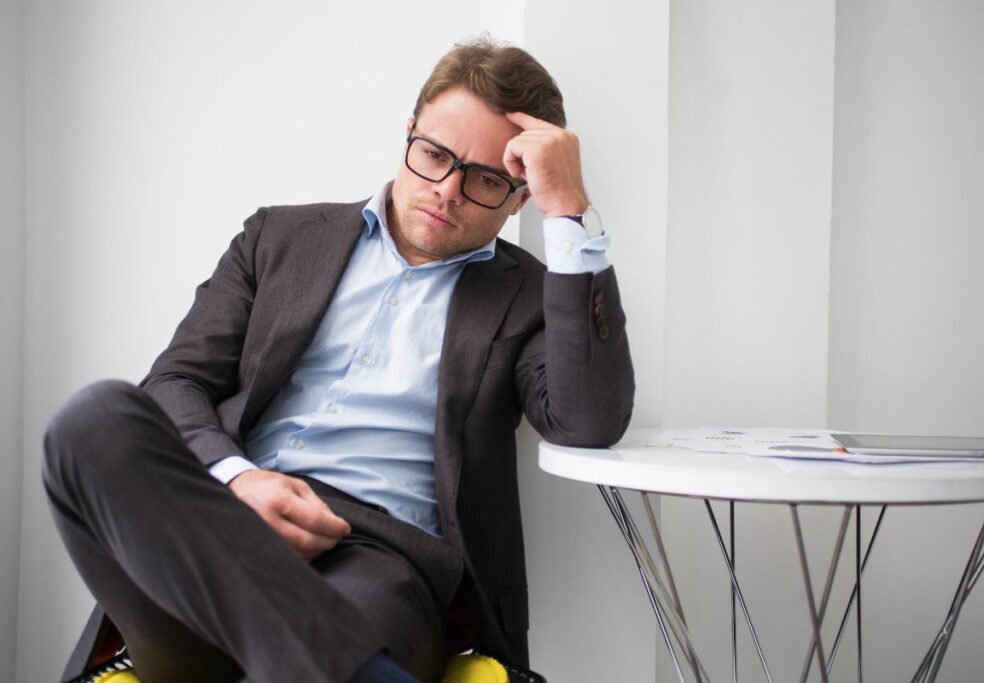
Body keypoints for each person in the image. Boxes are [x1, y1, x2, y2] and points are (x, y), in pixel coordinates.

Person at [43, 36, 634, 683]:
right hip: (217, 532)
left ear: (520, 196)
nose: (447, 190)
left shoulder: (529, 296)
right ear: (408, 133)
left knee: (342, 634)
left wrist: (570, 210)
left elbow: (588, 421)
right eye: (434, 154)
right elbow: (175, 381)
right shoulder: (278, 237)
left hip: (377, 559)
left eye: (486, 179)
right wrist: (240, 477)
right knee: (93, 418)